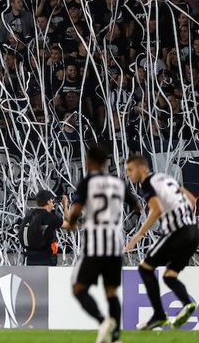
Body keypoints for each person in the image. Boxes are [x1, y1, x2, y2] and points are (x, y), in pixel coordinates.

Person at [66, 145, 140, 343]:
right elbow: (137, 206)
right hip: (115, 245)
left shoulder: (88, 182)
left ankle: (102, 321)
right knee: (111, 292)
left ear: (90, 162)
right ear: (106, 163)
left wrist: (73, 223)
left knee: (79, 289)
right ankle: (116, 338)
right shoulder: (118, 183)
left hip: (95, 244)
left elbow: (76, 210)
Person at [125, 154, 199, 331]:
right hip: (193, 232)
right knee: (169, 276)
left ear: (142, 168)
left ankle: (159, 315)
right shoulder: (166, 178)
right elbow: (192, 200)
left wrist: (136, 237)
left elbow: (157, 209)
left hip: (178, 232)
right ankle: (188, 304)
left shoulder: (147, 183)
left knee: (145, 268)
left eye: (130, 169)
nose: (128, 174)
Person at [19, 190, 70, 265]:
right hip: (46, 258)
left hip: (30, 258)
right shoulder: (50, 217)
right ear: (49, 201)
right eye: (52, 200)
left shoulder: (30, 214)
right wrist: (65, 206)